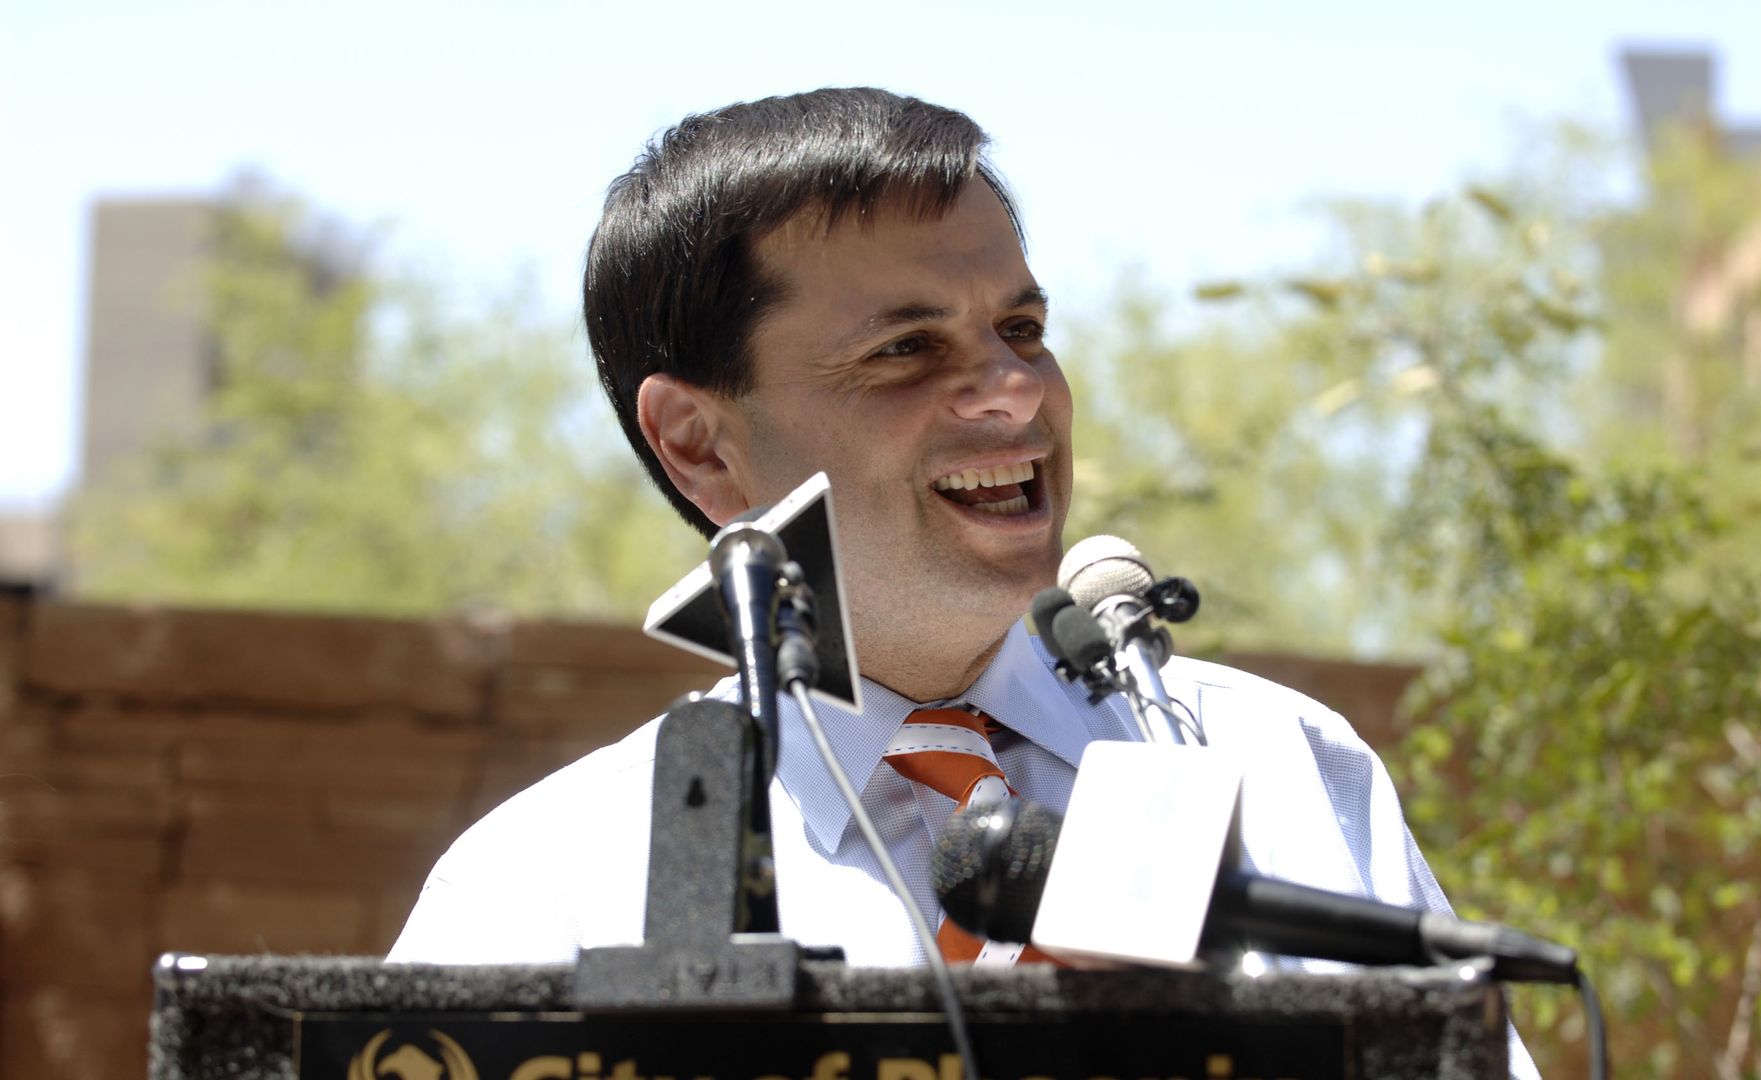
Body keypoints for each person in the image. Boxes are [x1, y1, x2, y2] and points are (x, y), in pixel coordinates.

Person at [386, 86, 1536, 1078]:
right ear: (698, 442)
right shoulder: (552, 882)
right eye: (907, 349)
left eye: (1023, 328)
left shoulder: (1277, 767)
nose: (1015, 393)